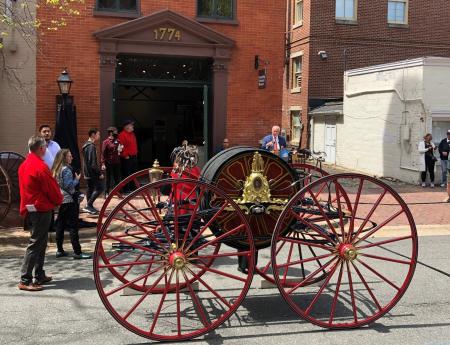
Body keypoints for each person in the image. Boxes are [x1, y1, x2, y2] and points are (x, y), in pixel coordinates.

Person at [18, 136, 63, 291]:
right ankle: (25, 278)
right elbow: (51, 188)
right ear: (41, 148)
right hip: (41, 208)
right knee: (36, 242)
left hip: (31, 208)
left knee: (40, 242)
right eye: (44, 147)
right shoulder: (40, 166)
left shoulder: (24, 165)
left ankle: (39, 274)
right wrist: (58, 200)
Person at [52, 149, 91, 259]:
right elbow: (69, 186)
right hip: (69, 200)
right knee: (73, 226)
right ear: (64, 158)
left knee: (60, 225)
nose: (72, 157)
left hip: (62, 200)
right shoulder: (67, 170)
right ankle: (77, 252)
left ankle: (59, 250)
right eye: (69, 156)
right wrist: (77, 180)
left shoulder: (58, 169)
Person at [82, 128, 104, 214]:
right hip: (91, 172)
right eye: (98, 134)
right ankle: (88, 205)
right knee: (100, 188)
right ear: (93, 135)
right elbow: (93, 163)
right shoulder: (91, 146)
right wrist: (99, 173)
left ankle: (89, 207)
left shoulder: (86, 145)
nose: (99, 136)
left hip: (87, 171)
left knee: (90, 188)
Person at [118, 120, 138, 193]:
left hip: (134, 157)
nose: (133, 126)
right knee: (126, 174)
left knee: (134, 173)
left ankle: (133, 188)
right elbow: (121, 147)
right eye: (131, 125)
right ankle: (126, 189)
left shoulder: (132, 134)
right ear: (127, 127)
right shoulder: (122, 135)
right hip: (127, 158)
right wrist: (125, 155)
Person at [101, 126, 122, 196]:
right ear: (111, 133)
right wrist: (103, 163)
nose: (116, 132)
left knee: (117, 178)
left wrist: (121, 149)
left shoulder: (118, 140)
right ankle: (106, 192)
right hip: (108, 162)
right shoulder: (105, 142)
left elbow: (120, 150)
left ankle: (118, 192)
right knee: (108, 179)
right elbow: (103, 153)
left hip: (117, 162)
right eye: (115, 131)